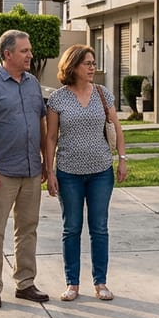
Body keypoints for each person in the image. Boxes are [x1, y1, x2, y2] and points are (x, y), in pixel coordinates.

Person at [0, 30, 51, 308]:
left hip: (30, 169)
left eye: (29, 50)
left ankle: (25, 283)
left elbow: (41, 124)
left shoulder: (32, 84)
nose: (30, 55)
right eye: (24, 51)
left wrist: (43, 161)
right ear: (7, 54)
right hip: (0, 171)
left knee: (28, 228)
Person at [44, 45, 127, 302]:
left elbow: (117, 128)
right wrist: (50, 171)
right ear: (73, 66)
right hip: (68, 172)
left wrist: (122, 159)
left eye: (93, 63)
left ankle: (100, 283)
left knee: (99, 228)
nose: (93, 67)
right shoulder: (58, 98)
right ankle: (72, 284)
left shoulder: (103, 94)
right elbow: (50, 138)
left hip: (101, 171)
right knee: (71, 228)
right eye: (87, 63)